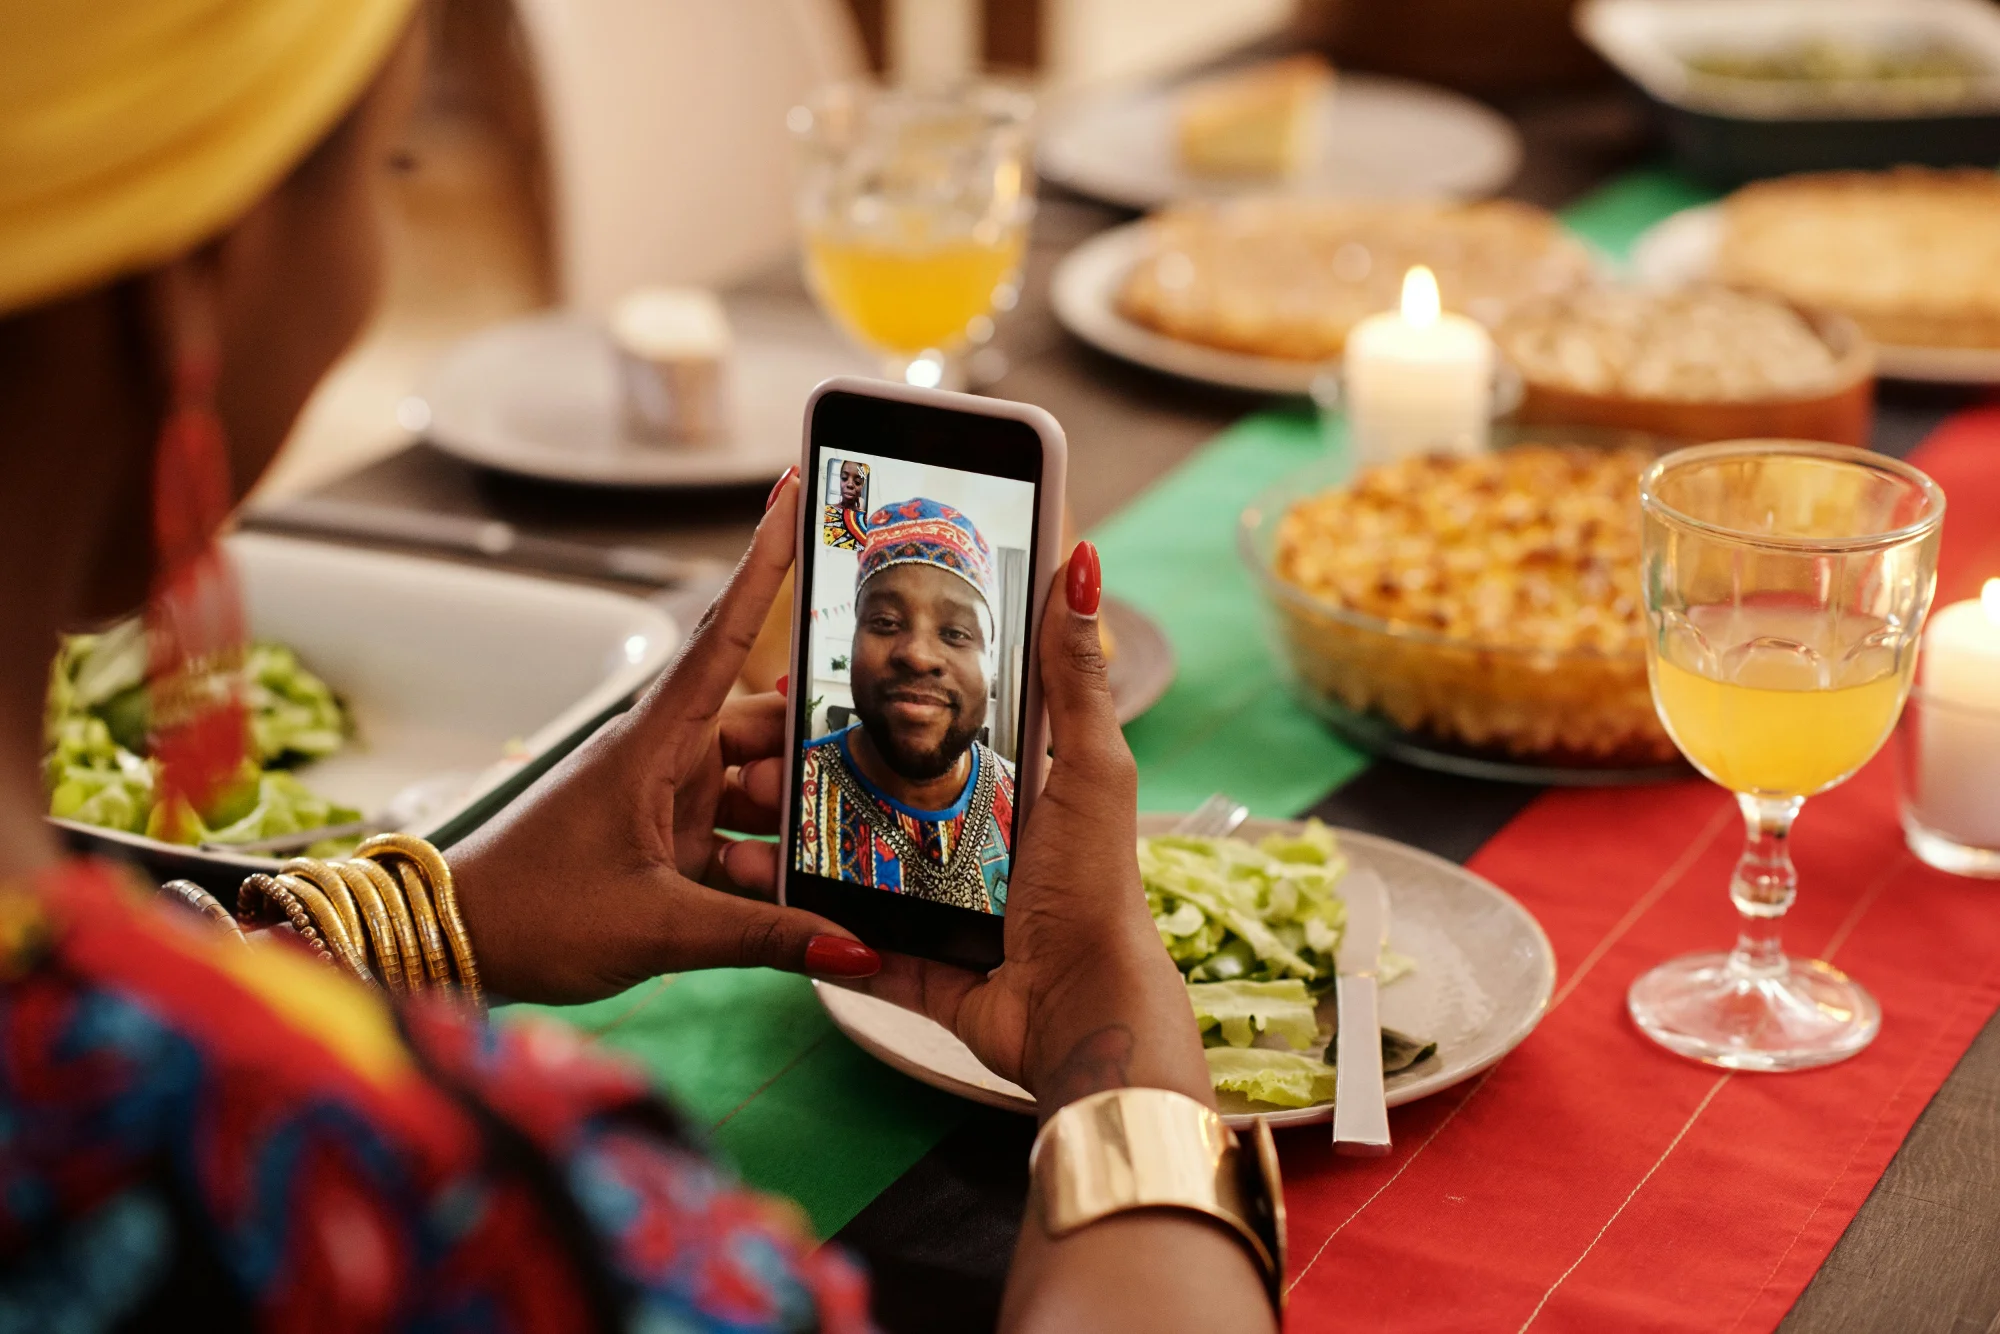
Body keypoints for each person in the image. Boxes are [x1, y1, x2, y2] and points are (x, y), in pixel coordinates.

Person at [0, 2, 1279, 1330]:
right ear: (190, 283)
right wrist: (1119, 1049)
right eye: (385, 173)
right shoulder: (456, 1208)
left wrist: (452, 915)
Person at [798, 498, 1015, 912]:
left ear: (991, 661)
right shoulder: (793, 788)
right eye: (885, 623)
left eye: (955, 632)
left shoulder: (1032, 802)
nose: (917, 655)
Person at [822, 458, 870, 549]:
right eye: (844, 478)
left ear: (862, 487)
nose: (850, 484)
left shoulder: (867, 521)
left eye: (857, 482)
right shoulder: (825, 511)